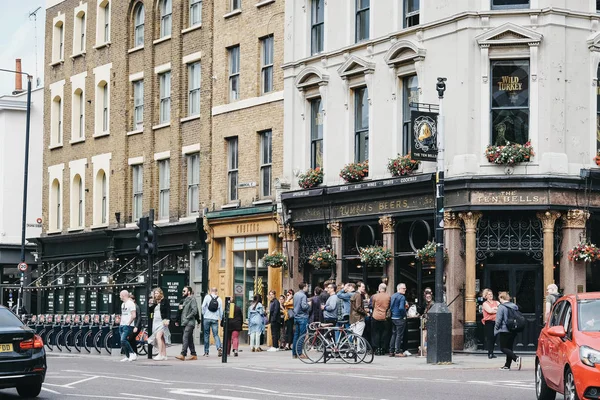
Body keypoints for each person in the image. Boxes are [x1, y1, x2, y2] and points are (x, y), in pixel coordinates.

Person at [494, 291, 522, 371]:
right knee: (509, 348)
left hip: (504, 329)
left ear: (501, 298)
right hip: (513, 329)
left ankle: (516, 358)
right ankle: (507, 365)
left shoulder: (501, 307)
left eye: (500, 298)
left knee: (503, 348)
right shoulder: (514, 306)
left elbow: (498, 320)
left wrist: (496, 329)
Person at [176, 286, 199, 361]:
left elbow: (195, 311)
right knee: (189, 339)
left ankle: (183, 354)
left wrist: (187, 317)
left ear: (188, 292)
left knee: (185, 337)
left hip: (190, 322)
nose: (182, 292)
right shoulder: (184, 300)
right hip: (184, 322)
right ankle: (193, 354)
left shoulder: (192, 299)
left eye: (184, 291)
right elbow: (180, 311)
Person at [148, 287, 171, 361]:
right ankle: (164, 355)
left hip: (162, 321)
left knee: (158, 337)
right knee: (162, 338)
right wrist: (150, 304)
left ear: (160, 293)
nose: (156, 295)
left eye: (157, 293)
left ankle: (160, 354)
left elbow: (168, 310)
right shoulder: (155, 302)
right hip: (155, 321)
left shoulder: (165, 301)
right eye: (155, 293)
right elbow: (151, 311)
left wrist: (167, 319)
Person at [202, 287, 223, 357]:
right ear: (216, 291)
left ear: (210, 291)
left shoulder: (207, 297)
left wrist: (203, 313)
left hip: (207, 318)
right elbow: (221, 310)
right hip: (215, 319)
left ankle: (206, 351)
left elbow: (203, 306)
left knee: (206, 334)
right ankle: (219, 347)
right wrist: (221, 318)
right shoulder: (219, 299)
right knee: (215, 334)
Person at [370, 283, 391, 356]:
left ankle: (377, 349)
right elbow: (389, 306)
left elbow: (371, 305)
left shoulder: (375, 296)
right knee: (384, 333)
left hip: (375, 316)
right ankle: (383, 348)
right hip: (384, 317)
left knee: (375, 333)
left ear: (379, 289)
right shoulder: (388, 296)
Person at [292, 282, 310, 359]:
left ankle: (294, 353)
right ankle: (300, 353)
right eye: (307, 286)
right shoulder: (303, 295)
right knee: (302, 335)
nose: (308, 288)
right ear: (304, 287)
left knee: (296, 335)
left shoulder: (296, 294)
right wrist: (309, 304)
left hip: (296, 317)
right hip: (303, 317)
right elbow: (304, 306)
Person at [389, 283, 407, 357]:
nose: (405, 290)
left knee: (394, 334)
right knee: (399, 335)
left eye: (405, 288)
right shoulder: (402, 297)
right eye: (403, 288)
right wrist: (404, 316)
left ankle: (391, 351)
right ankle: (397, 351)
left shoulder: (393, 296)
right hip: (399, 318)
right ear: (399, 289)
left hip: (393, 317)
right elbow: (401, 308)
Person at [119, 290, 137, 362]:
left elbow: (134, 315)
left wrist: (129, 323)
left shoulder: (131, 303)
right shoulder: (122, 304)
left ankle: (132, 353)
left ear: (123, 295)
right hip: (122, 325)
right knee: (122, 341)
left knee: (123, 339)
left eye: (120, 295)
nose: (120, 297)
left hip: (127, 325)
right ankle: (127, 355)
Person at [481, 288, 499, 359]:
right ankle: (490, 353)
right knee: (490, 337)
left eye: (491, 294)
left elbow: (500, 309)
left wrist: (494, 309)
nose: (491, 295)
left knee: (495, 337)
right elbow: (489, 311)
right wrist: (495, 309)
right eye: (489, 294)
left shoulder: (496, 302)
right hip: (489, 322)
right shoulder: (485, 304)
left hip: (496, 321)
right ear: (486, 296)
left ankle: (492, 352)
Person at [419, 287, 435, 356]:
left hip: (429, 323)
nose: (428, 298)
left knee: (426, 336)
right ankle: (423, 349)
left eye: (429, 296)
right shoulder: (426, 304)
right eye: (427, 296)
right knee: (424, 336)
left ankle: (425, 349)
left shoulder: (432, 304)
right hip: (425, 322)